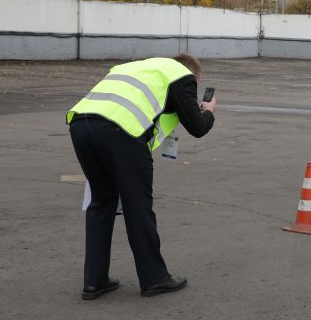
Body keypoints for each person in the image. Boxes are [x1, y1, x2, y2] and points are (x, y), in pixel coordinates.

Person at [67, 53, 217, 300]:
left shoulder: (139, 68)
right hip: (121, 131)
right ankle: (154, 278)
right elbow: (198, 127)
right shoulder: (181, 75)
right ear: (193, 75)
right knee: (138, 206)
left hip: (81, 124)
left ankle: (94, 281)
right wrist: (208, 111)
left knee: (101, 203)